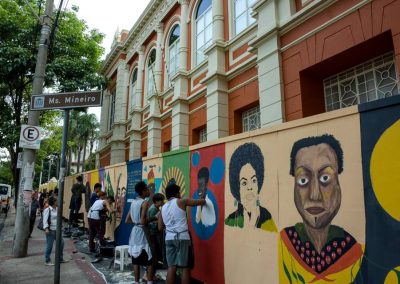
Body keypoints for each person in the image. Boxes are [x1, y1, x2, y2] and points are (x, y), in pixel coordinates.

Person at [279, 134, 363, 283]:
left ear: (339, 184)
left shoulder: (355, 252)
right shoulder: (284, 243)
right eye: (303, 180)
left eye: (325, 178)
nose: (315, 195)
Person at [158, 183, 205, 284]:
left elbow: (160, 227)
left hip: (169, 238)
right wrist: (202, 196)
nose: (180, 194)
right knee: (185, 267)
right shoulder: (181, 201)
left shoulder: (163, 208)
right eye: (179, 192)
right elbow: (201, 202)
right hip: (182, 238)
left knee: (171, 267)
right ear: (176, 193)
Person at [224, 142, 277, 232]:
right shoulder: (231, 220)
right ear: (237, 187)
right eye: (244, 183)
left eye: (253, 181)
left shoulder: (266, 217)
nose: (250, 187)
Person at [126, 181, 153, 284]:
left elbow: (127, 220)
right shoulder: (144, 202)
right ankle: (150, 282)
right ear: (143, 191)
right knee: (149, 260)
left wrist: (136, 222)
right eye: (147, 188)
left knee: (136, 260)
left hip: (134, 232)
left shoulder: (133, 202)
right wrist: (154, 218)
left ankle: (136, 282)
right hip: (142, 232)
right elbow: (143, 221)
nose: (149, 190)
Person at [43, 196, 68, 265]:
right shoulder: (48, 210)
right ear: (53, 202)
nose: (58, 202)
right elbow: (45, 220)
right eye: (56, 200)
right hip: (50, 230)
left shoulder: (57, 208)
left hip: (57, 229)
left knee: (61, 244)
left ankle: (60, 258)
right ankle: (47, 260)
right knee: (49, 245)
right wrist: (46, 228)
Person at [147, 193, 165, 279]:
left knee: (155, 255)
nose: (163, 202)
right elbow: (152, 223)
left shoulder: (155, 208)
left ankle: (151, 275)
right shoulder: (154, 209)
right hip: (153, 234)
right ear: (157, 201)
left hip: (154, 233)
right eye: (162, 200)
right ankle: (148, 275)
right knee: (154, 255)